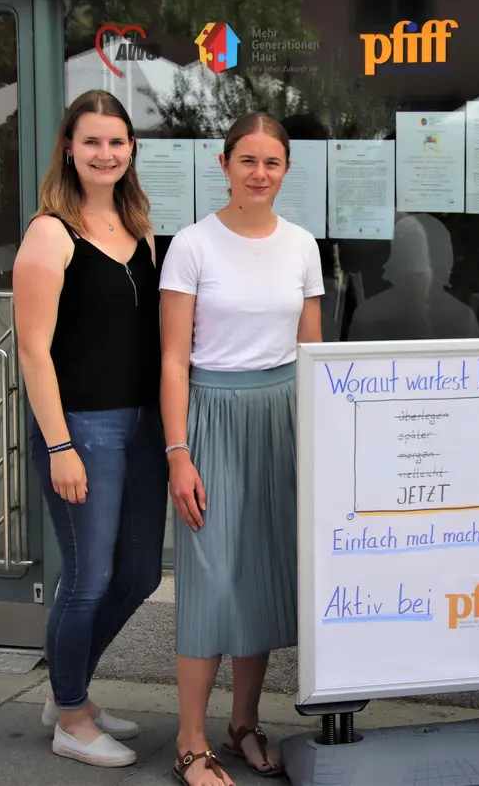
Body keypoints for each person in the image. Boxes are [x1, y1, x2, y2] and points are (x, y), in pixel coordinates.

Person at [159, 112, 324, 786]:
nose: (260, 173)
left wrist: (322, 443)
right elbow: (173, 360)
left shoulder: (303, 245)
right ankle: (190, 741)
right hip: (213, 417)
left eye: (273, 162)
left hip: (282, 415)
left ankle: (244, 722)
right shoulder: (192, 246)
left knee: (258, 576)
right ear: (222, 164)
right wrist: (178, 452)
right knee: (210, 579)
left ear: (287, 169)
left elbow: (313, 352)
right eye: (248, 160)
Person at [14, 90, 166, 768]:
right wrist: (60, 446)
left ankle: (66, 685)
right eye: (92, 142)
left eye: (117, 142)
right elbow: (31, 349)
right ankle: (71, 717)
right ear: (69, 150)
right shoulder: (51, 232)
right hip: (82, 427)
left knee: (136, 575)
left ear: (130, 150)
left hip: (142, 428)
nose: (105, 153)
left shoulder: (141, 225)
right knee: (87, 578)